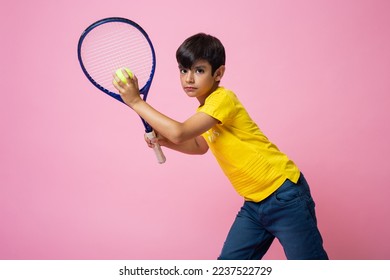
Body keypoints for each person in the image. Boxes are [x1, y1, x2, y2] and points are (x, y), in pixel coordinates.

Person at [112, 33, 328, 260]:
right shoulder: (205, 112)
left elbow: (180, 132)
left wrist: (136, 102)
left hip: (284, 195)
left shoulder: (222, 99)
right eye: (184, 70)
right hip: (254, 205)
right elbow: (198, 145)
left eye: (199, 70)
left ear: (218, 73)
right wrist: (163, 141)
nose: (189, 79)